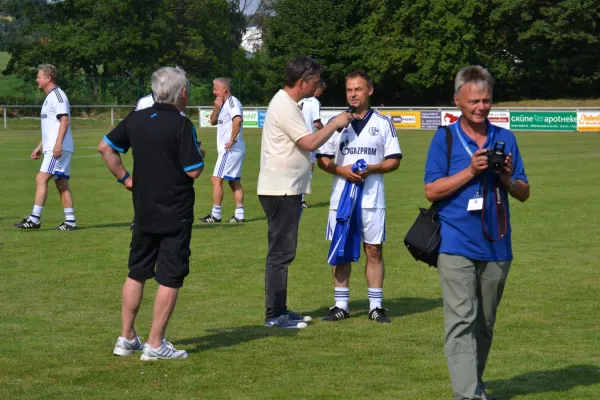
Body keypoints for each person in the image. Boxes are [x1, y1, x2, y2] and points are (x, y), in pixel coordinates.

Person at [424, 65, 530, 399]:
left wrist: (507, 179)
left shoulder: (505, 137)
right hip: (454, 241)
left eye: (486, 100)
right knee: (460, 320)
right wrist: (470, 171)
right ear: (457, 101)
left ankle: (474, 384)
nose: (481, 107)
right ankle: (468, 395)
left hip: (497, 243)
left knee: (484, 324)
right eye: (474, 101)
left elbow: (524, 191)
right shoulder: (444, 138)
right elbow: (432, 190)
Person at [98, 67, 205, 360]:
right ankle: (155, 344)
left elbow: (105, 148)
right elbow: (193, 170)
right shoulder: (182, 125)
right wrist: (202, 155)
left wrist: (125, 178)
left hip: (143, 209)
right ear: (181, 92)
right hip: (175, 211)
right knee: (170, 276)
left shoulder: (137, 118)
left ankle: (127, 336)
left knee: (137, 272)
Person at [257, 56, 353, 328]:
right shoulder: (284, 105)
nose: (317, 86)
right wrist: (335, 124)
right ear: (302, 82)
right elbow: (309, 142)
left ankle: (280, 310)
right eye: (315, 81)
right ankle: (275, 315)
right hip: (281, 189)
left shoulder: (288, 104)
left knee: (283, 252)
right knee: (280, 253)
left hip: (285, 188)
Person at [316, 70, 401, 324]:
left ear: (370, 91)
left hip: (372, 199)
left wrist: (371, 168)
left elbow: (394, 161)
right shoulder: (336, 122)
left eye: (358, 89)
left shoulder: (383, 123)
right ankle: (340, 305)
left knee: (373, 250)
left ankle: (376, 306)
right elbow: (322, 159)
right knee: (340, 249)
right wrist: (342, 170)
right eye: (349, 90)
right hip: (341, 198)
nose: (353, 94)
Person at [13, 64, 77, 231]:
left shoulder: (57, 96)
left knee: (41, 179)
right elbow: (52, 126)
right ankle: (70, 221)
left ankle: (34, 219)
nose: (37, 79)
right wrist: (40, 146)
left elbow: (64, 121)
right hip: (55, 147)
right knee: (62, 184)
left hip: (58, 149)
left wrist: (57, 144)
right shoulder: (50, 97)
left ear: (48, 78)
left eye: (39, 76)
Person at [199, 77, 246, 223]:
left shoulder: (232, 102)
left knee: (216, 179)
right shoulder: (223, 104)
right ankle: (239, 215)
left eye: (215, 89)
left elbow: (237, 120)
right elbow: (212, 122)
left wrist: (231, 140)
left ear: (224, 89)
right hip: (232, 149)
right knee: (234, 182)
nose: (213, 91)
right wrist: (215, 108)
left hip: (230, 149)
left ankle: (216, 215)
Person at [298, 79, 326, 209]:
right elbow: (316, 122)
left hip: (297, 138)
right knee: (309, 168)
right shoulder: (315, 102)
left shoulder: (300, 100)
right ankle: (301, 199)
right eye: (321, 90)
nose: (321, 93)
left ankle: (294, 198)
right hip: (309, 139)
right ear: (317, 89)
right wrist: (327, 130)